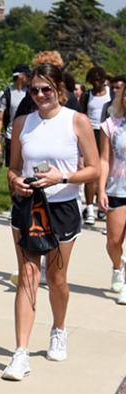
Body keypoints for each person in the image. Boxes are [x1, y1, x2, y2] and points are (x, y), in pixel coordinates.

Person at [3, 64, 99, 381]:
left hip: (62, 206)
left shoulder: (77, 121)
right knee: (28, 276)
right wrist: (15, 181)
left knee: (56, 278)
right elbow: (13, 167)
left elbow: (95, 169)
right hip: (29, 206)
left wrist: (64, 176)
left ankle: (58, 328)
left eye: (47, 89)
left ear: (60, 89)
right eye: (34, 89)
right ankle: (20, 353)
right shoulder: (22, 123)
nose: (40, 95)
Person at [98, 86, 126, 303]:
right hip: (117, 189)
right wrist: (101, 188)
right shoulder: (111, 125)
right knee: (113, 241)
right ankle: (118, 266)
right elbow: (104, 160)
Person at [79, 66, 111, 226]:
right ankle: (90, 207)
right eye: (94, 81)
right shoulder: (87, 95)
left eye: (99, 80)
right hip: (90, 132)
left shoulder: (110, 94)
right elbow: (82, 113)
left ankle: (101, 203)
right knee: (90, 171)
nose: (97, 84)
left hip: (106, 131)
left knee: (105, 169)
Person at [0, 64, 32, 168]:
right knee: (14, 170)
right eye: (28, 76)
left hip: (30, 135)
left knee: (31, 168)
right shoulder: (6, 94)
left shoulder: (32, 92)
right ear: (21, 76)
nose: (30, 79)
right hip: (12, 137)